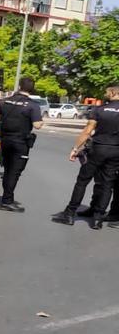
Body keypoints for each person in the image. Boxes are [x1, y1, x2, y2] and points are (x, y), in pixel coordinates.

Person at [53, 85, 119, 229]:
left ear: (114, 92)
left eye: (107, 91)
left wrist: (75, 148)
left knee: (82, 181)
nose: (105, 93)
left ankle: (70, 213)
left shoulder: (100, 110)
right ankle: (98, 218)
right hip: (115, 151)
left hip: (98, 149)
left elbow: (87, 131)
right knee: (107, 184)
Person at [0, 77, 44, 212]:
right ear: (32, 88)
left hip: (5, 140)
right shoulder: (33, 105)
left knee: (8, 169)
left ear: (19, 86)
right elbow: (37, 125)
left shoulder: (4, 101)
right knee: (14, 172)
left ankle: (7, 197)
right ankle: (7, 201)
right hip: (20, 142)